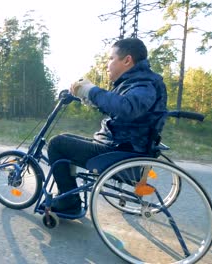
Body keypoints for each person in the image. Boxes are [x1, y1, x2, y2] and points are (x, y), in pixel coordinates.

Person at [45, 38, 168, 214]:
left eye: (111, 59)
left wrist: (92, 90)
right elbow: (117, 107)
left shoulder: (143, 84)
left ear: (127, 60)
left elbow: (127, 107)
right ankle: (67, 197)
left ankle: (69, 203)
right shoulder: (137, 81)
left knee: (57, 144)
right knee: (67, 139)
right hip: (121, 145)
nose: (107, 65)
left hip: (121, 151)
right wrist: (88, 97)